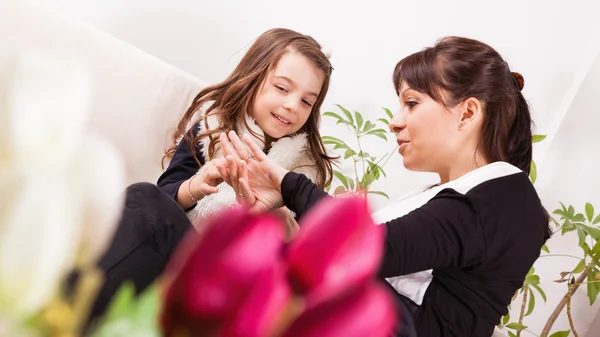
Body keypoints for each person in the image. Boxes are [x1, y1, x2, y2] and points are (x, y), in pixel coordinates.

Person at [214, 36, 552, 337]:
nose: (395, 121)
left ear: (467, 113)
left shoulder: (500, 198)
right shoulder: (473, 196)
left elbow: (362, 250)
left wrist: (286, 182)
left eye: (412, 102)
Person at [85, 27, 336, 326]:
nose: (292, 105)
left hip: (227, 292)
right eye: (282, 88)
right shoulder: (213, 126)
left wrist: (277, 211)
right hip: (178, 258)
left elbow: (298, 278)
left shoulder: (303, 175)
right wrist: (196, 187)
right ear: (254, 78)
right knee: (145, 198)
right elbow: (164, 195)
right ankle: (63, 315)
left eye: (307, 101)